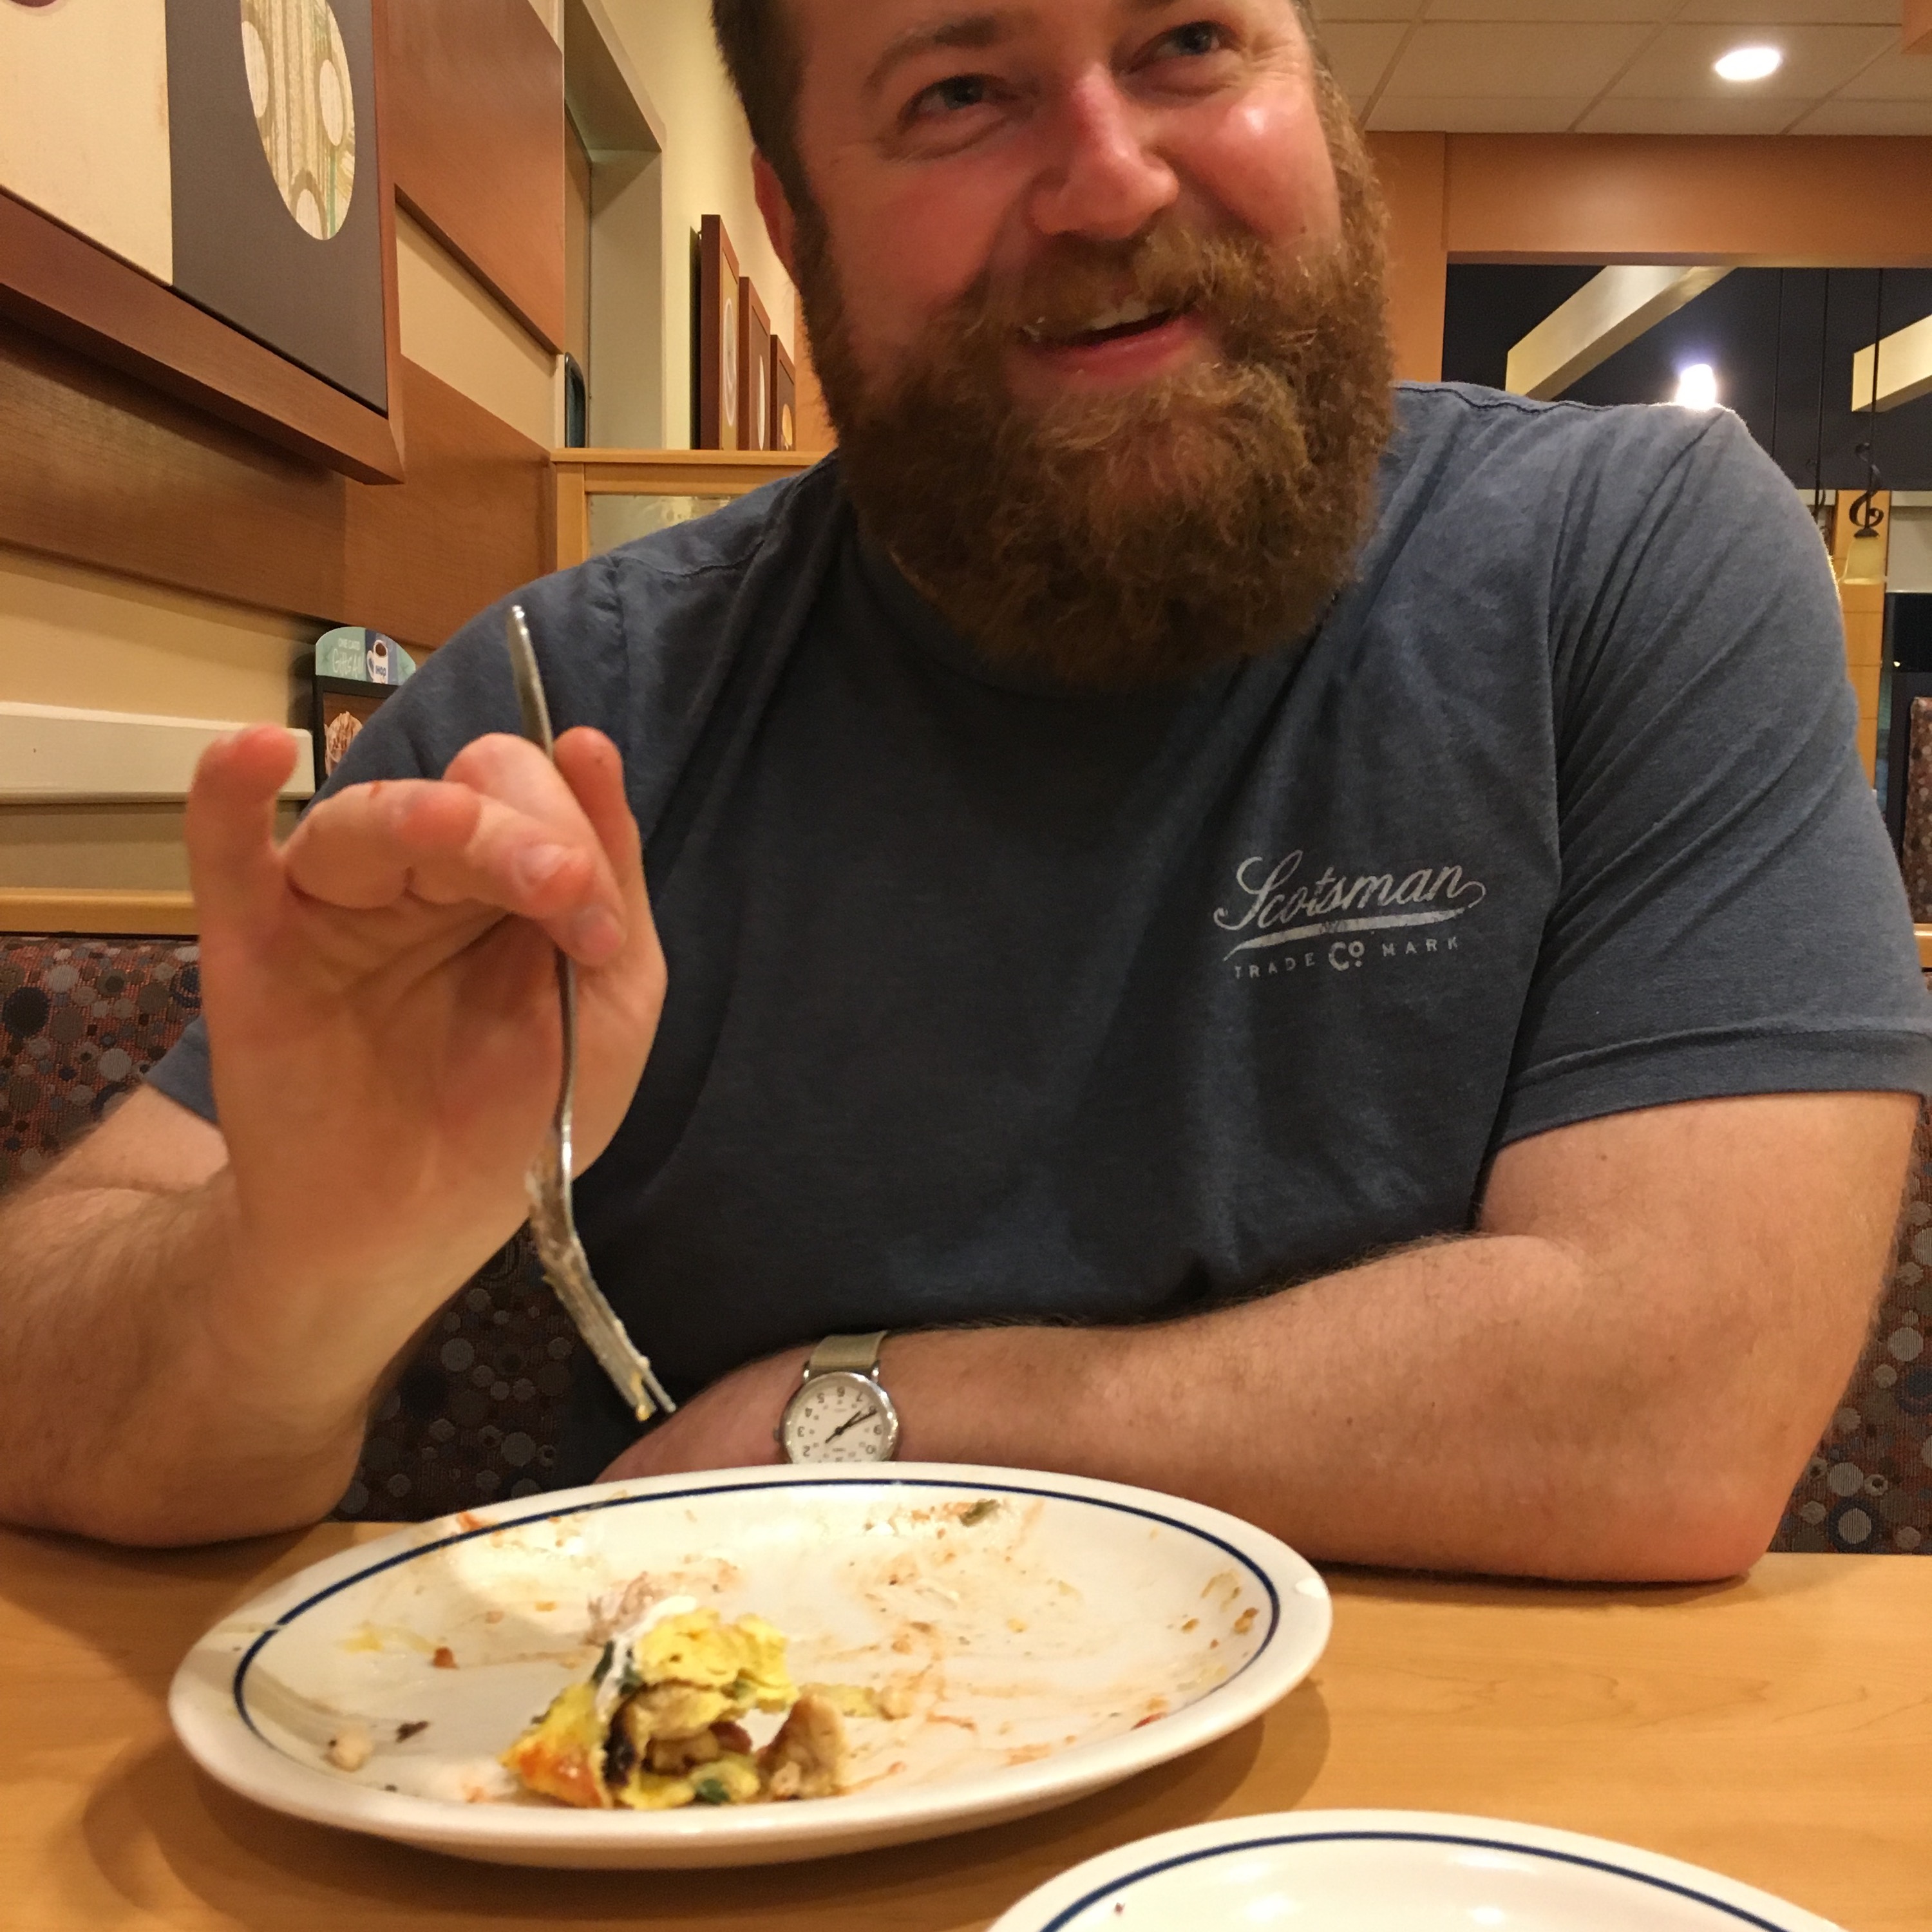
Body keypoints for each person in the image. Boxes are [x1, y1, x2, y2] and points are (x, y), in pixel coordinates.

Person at [1, 0, 1926, 1577]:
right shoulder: (561, 711)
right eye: (958, 93)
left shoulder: (1630, 560)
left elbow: (1681, 1407)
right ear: (794, 224)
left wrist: (852, 1416)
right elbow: (40, 1387)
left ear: (1319, 91)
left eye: (1189, 43)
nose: (1111, 177)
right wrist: (294, 1273)